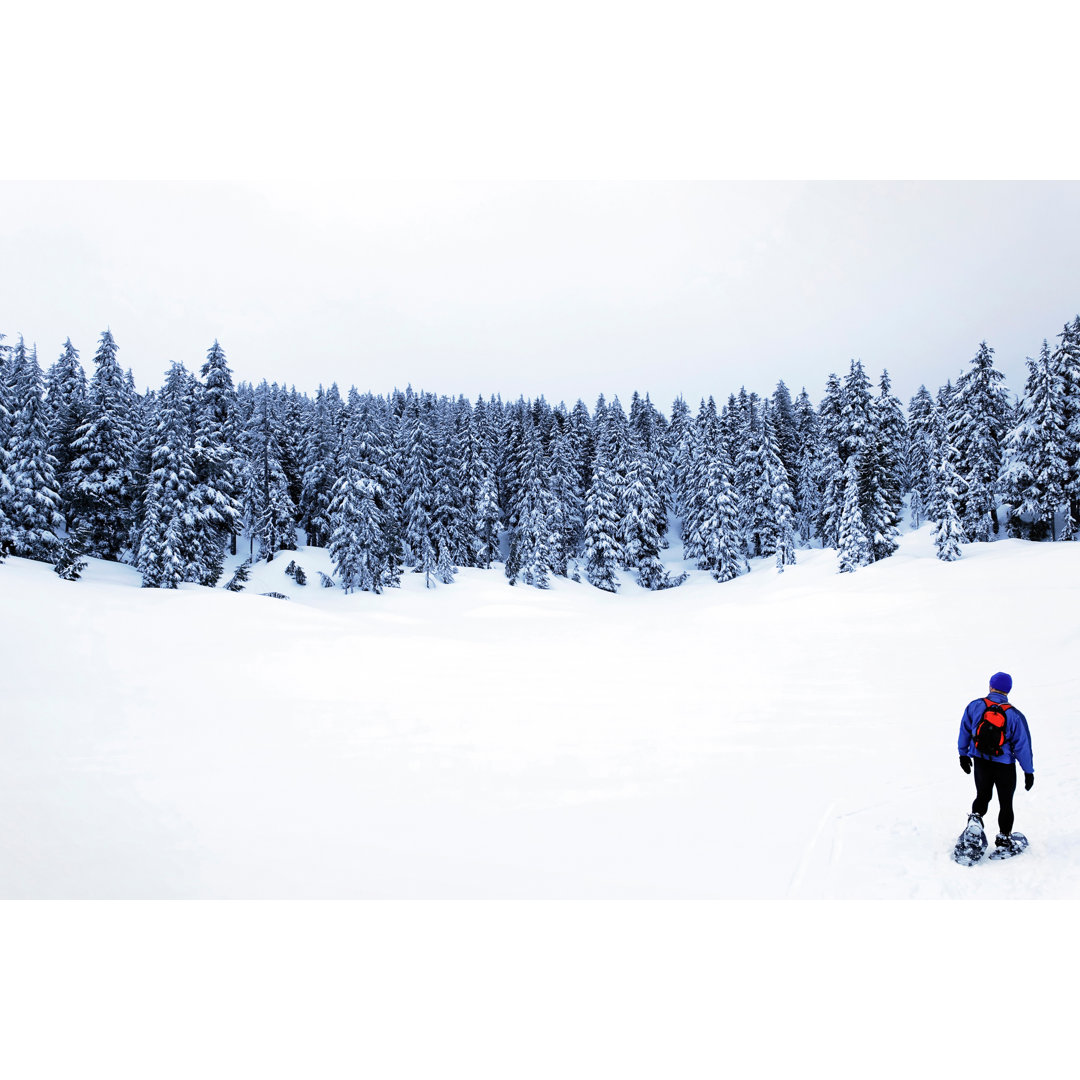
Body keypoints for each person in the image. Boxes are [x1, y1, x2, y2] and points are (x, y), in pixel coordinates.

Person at [957, 672, 1034, 856]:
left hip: (980, 761)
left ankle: (975, 824)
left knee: (982, 796)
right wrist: (1028, 771)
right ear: (1008, 690)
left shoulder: (975, 706)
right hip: (1004, 765)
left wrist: (963, 754)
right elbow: (1023, 746)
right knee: (1005, 803)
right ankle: (1004, 840)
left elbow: (965, 729)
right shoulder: (1014, 715)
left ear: (990, 686)